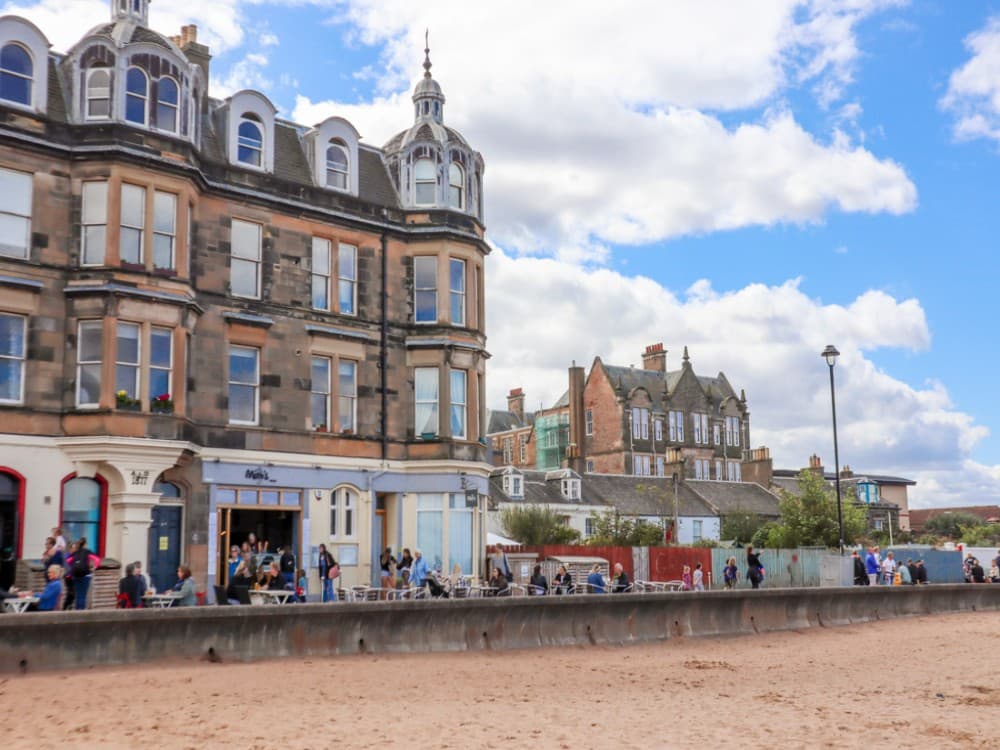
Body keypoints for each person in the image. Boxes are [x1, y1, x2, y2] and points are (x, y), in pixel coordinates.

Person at [67, 538, 98, 610]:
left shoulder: (75, 552)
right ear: (85, 544)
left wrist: (71, 568)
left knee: (78, 595)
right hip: (86, 575)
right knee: (83, 595)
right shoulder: (87, 551)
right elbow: (97, 559)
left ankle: (77, 611)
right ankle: (81, 613)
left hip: (75, 575)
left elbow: (67, 561)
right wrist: (94, 568)